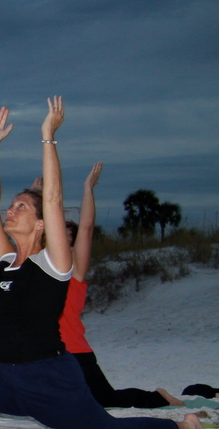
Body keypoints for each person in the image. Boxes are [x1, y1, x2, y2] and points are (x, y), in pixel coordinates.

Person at [0, 98, 209, 429]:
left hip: (48, 382)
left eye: (21, 207)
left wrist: (48, 137)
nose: (10, 210)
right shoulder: (4, 261)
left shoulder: (53, 264)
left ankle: (181, 424)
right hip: (2, 377)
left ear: (42, 223)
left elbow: (54, 198)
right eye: (12, 204)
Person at [54, 163, 183, 409]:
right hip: (46, 351)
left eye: (70, 240)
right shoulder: (40, 270)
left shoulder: (75, 273)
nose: (64, 244)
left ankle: (158, 397)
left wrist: (87, 189)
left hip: (74, 350)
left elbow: (87, 228)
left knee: (106, 400)